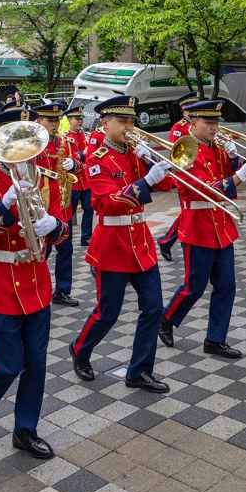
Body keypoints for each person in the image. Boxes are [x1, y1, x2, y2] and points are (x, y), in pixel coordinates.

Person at [0, 108, 68, 460]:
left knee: (36, 364)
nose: (20, 147)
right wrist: (6, 203)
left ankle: (26, 430)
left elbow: (64, 230)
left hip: (36, 280)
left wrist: (54, 228)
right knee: (8, 364)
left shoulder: (49, 179)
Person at [69, 96, 174, 393]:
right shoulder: (97, 157)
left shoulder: (135, 152)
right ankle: (80, 347)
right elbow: (106, 203)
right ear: (106, 123)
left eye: (132, 121)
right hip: (112, 246)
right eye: (123, 121)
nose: (130, 126)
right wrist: (144, 183)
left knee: (153, 308)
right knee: (108, 312)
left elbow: (166, 184)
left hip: (140, 243)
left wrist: (155, 160)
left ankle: (139, 371)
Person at [158, 100, 246, 357]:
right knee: (194, 286)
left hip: (222, 226)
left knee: (227, 286)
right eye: (209, 122)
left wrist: (234, 160)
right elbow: (202, 189)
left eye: (216, 122)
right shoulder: (184, 150)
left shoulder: (216, 148)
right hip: (198, 227)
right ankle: (167, 319)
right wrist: (240, 176)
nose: (215, 127)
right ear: (193, 123)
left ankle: (215, 339)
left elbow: (227, 183)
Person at [33, 101, 80, 307]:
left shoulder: (65, 142)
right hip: (41, 206)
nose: (54, 124)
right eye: (49, 120)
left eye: (56, 120)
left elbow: (81, 165)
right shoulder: (32, 144)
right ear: (39, 121)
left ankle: (62, 290)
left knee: (66, 250)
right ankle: (36, 290)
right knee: (41, 252)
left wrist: (74, 164)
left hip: (62, 205)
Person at [157, 92, 198, 262]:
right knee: (189, 211)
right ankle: (173, 241)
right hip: (185, 174)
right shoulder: (178, 128)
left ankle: (168, 241)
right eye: (189, 110)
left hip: (202, 173)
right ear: (183, 111)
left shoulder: (200, 124)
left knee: (192, 212)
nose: (192, 113)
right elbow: (176, 153)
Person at [64, 106, 94, 247]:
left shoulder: (85, 135)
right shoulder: (65, 138)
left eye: (81, 118)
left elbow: (91, 155)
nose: (80, 121)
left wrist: (83, 156)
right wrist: (83, 155)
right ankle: (66, 237)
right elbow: (70, 159)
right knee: (70, 212)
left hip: (86, 180)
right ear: (70, 120)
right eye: (77, 119)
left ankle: (86, 237)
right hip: (74, 182)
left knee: (89, 209)